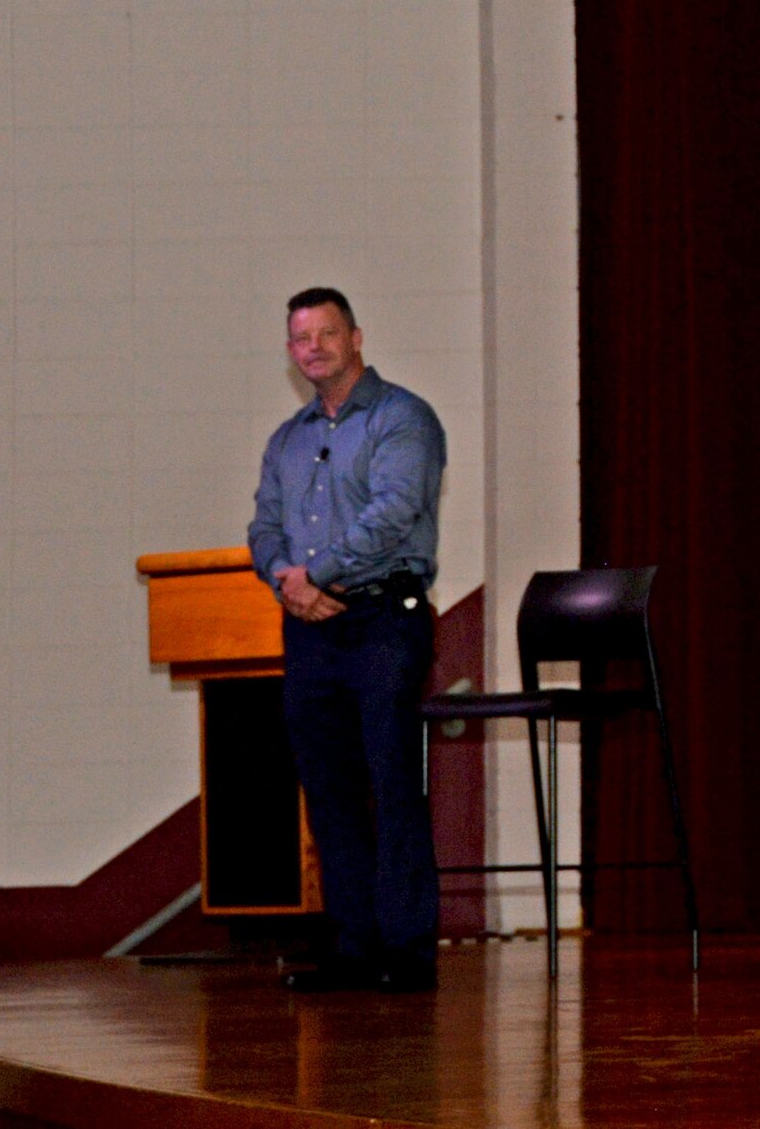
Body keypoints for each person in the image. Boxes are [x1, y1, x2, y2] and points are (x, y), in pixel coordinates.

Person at [250, 286, 447, 993]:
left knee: (391, 781)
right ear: (290, 350)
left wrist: (317, 574)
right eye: (301, 338)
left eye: (327, 334)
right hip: (310, 631)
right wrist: (284, 577)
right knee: (328, 788)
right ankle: (355, 947)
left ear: (356, 338)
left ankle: (407, 950)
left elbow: (394, 512)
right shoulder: (287, 439)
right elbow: (263, 527)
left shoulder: (403, 419)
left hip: (382, 621)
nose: (314, 348)